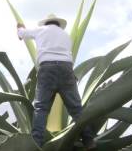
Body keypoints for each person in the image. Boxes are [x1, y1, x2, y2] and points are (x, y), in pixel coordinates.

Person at [17, 14, 96, 149]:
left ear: (46, 23)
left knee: (41, 109)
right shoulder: (66, 36)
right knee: (76, 109)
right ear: (58, 24)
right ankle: (89, 140)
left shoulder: (40, 30)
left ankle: (36, 144)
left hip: (47, 69)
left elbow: (22, 34)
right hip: (67, 70)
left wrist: (20, 28)